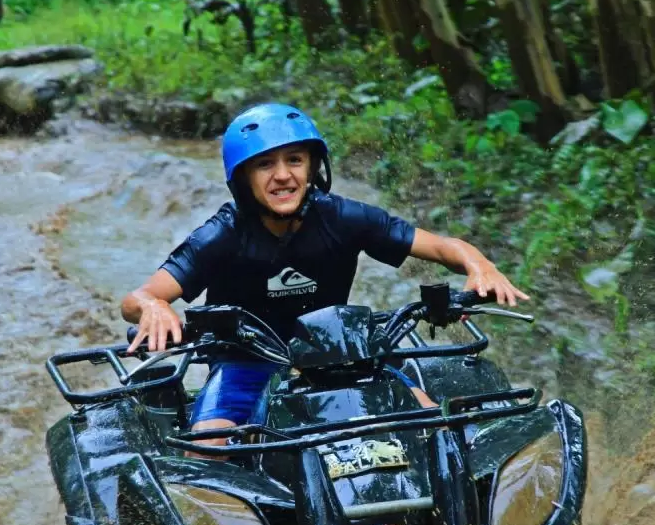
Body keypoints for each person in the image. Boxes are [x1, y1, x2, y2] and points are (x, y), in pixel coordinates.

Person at [121, 103, 528, 451]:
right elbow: (136, 299)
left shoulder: (344, 217)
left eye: (294, 160)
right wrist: (153, 306)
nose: (283, 175)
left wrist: (479, 265)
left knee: (432, 424)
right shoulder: (222, 235)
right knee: (208, 446)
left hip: (342, 355)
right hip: (247, 360)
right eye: (265, 165)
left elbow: (442, 246)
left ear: (314, 167)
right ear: (242, 178)